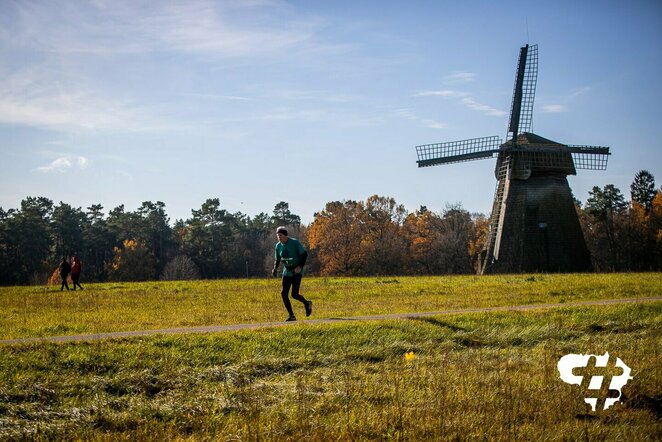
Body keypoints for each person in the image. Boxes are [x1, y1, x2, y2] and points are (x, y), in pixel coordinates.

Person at [272, 226, 312, 321]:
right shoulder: (278, 246)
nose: (279, 237)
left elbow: (304, 254)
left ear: (285, 235)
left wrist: (300, 267)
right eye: (277, 236)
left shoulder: (294, 243)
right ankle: (291, 316)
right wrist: (275, 269)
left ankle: (307, 303)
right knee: (283, 293)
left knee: (294, 294)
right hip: (287, 271)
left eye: (280, 235)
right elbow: (277, 259)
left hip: (296, 271)